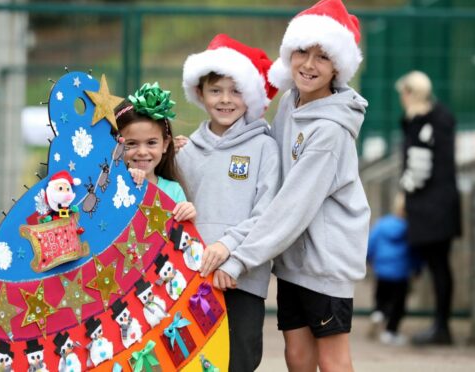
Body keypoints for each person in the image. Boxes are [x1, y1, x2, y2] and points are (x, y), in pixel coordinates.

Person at [200, 1, 371, 370]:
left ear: (338, 66)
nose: (309, 65)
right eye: (302, 53)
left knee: (332, 359)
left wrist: (241, 258)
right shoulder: (292, 102)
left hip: (326, 261)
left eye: (322, 57)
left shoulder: (329, 131)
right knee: (297, 356)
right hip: (293, 259)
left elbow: (293, 205)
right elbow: (270, 153)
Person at [178, 33, 281, 371]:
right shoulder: (185, 152)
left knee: (239, 360)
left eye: (236, 91)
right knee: (194, 361)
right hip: (191, 279)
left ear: (250, 96)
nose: (225, 100)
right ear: (200, 93)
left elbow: (267, 214)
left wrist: (229, 250)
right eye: (216, 90)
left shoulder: (265, 148)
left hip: (242, 279)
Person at [396, 70, 461, 346]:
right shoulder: (440, 118)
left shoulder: (422, 122)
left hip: (431, 208)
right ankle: (440, 325)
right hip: (444, 203)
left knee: (436, 266)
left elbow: (419, 169)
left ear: (410, 93)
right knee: (439, 265)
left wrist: (403, 193)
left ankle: (441, 328)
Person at [114, 82, 196, 222]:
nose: (142, 152)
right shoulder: (110, 186)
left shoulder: (173, 190)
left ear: (165, 144)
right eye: (131, 143)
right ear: (116, 145)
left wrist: (188, 216)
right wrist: (125, 181)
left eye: (151, 143)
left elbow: (184, 237)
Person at [367, 193, 420, 346]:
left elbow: (371, 243)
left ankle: (378, 312)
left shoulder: (382, 224)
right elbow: (415, 252)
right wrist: (416, 269)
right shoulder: (411, 229)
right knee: (398, 305)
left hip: (382, 270)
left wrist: (369, 259)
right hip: (401, 273)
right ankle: (390, 331)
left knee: (381, 297)